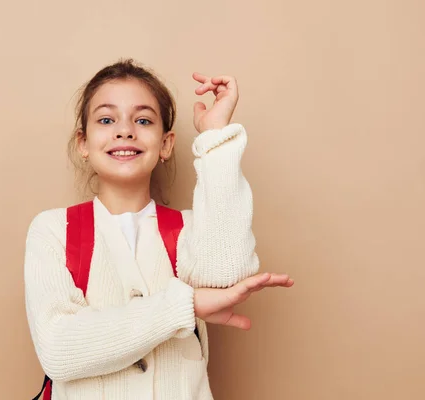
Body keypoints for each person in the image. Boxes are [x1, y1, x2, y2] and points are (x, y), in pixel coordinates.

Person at [24, 59, 294, 399]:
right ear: (83, 142)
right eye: (106, 119)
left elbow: (227, 271)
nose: (125, 131)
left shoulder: (186, 230)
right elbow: (59, 350)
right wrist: (186, 305)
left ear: (166, 144)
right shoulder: (53, 230)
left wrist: (215, 139)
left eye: (143, 120)